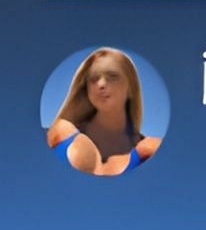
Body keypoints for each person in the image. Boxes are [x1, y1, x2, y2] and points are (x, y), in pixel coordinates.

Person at [46, 48, 161, 176]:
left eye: (112, 76)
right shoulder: (61, 132)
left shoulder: (150, 149)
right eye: (94, 78)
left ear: (130, 88)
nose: (101, 84)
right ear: (87, 89)